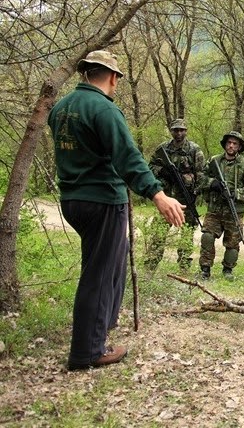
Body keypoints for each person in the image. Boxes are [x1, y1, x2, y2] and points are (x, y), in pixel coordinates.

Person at [48, 50, 185, 371]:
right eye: (117, 79)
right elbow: (128, 158)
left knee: (111, 264)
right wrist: (158, 195)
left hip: (72, 200)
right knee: (98, 274)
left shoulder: (60, 108)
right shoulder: (104, 110)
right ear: (112, 77)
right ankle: (87, 353)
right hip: (102, 201)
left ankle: (101, 326)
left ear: (85, 73)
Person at [144, 119, 205, 272]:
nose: (179, 133)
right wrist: (163, 172)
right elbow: (150, 167)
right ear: (171, 131)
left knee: (187, 231)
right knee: (159, 231)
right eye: (176, 130)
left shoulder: (194, 149)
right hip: (167, 197)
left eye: (182, 130)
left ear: (186, 131)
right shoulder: (163, 148)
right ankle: (151, 263)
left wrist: (195, 192)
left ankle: (184, 265)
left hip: (186, 198)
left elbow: (202, 174)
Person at [198, 131, 244, 280]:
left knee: (233, 243)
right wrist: (212, 183)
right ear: (225, 144)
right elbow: (200, 178)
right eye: (229, 143)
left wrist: (236, 193)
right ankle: (205, 269)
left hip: (234, 211)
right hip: (214, 209)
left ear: (239, 147)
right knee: (207, 237)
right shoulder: (214, 161)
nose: (231, 146)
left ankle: (228, 270)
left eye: (235, 144)